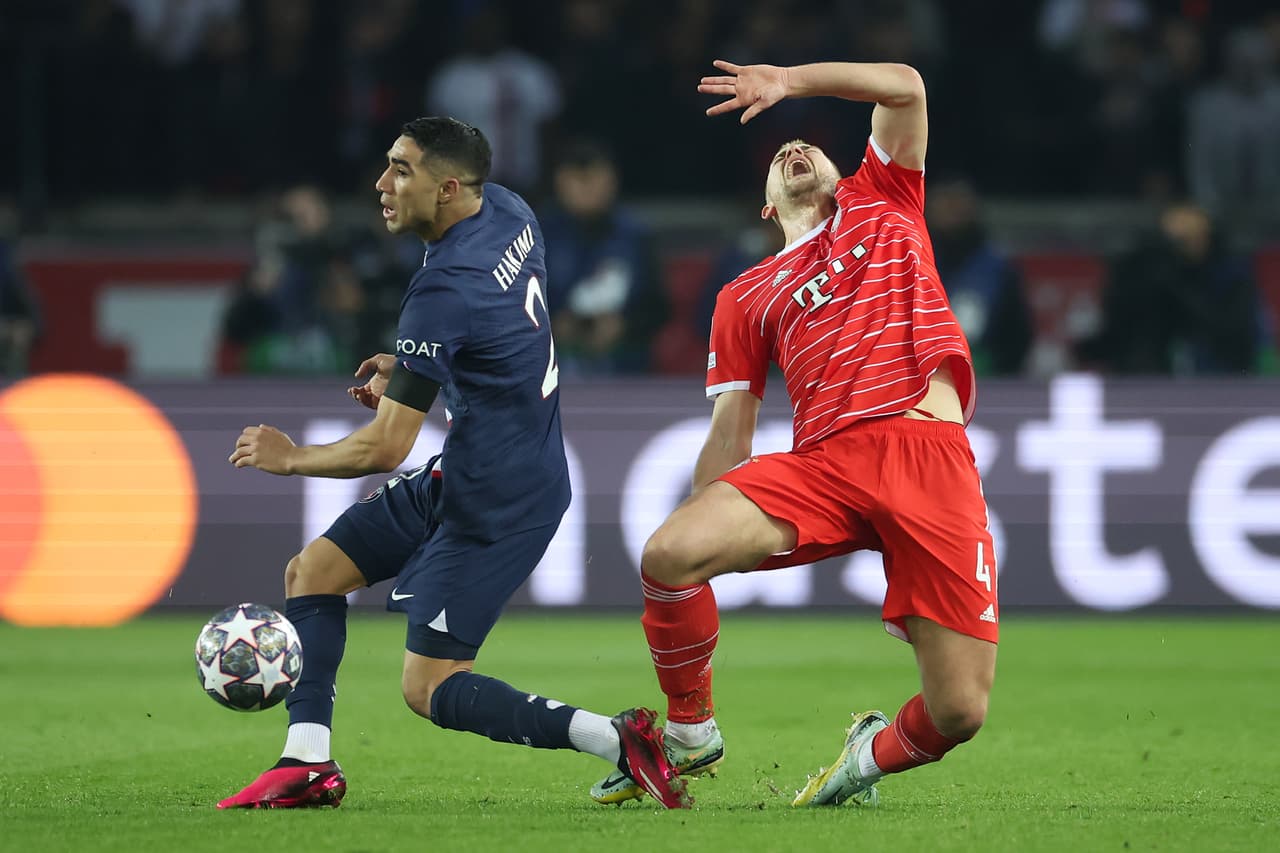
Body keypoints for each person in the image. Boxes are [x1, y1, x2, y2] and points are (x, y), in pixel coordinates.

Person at [219, 117, 688, 810]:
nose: (381, 185)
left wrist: (290, 459)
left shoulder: (443, 290)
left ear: (445, 188)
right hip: (478, 461)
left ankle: (619, 739)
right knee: (312, 572)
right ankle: (307, 760)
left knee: (429, 685)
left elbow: (384, 447)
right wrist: (415, 368)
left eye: (400, 171)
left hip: (501, 496)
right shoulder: (509, 208)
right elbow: (501, 332)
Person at [591, 60, 997, 808]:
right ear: (767, 208)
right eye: (778, 159)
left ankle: (862, 759)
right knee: (669, 553)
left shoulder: (886, 199)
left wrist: (790, 81)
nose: (791, 151)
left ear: (847, 173)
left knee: (959, 710)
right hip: (828, 466)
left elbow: (905, 83)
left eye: (806, 147)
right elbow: (728, 434)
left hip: (929, 456)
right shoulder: (744, 296)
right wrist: (708, 519)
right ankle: (690, 732)